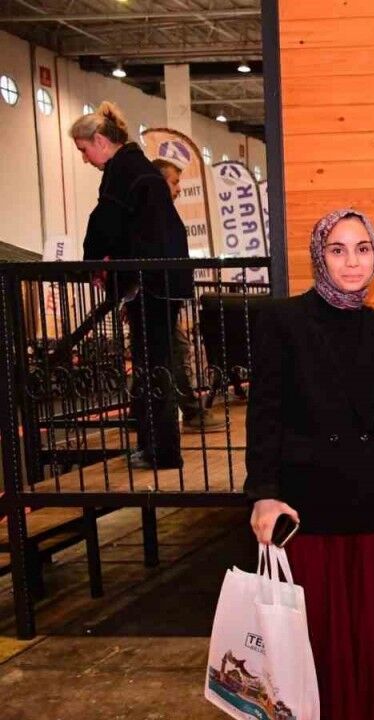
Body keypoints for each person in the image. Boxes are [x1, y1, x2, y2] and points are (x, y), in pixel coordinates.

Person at [244, 208, 374, 720]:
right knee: (313, 639)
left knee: (367, 638)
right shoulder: (282, 320)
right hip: (305, 509)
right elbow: (264, 414)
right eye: (338, 250)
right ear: (320, 256)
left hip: (365, 506)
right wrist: (263, 493)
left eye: (363, 249)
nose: (352, 261)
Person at [72, 101, 193, 469]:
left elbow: (105, 223)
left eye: (84, 149)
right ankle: (157, 448)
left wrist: (95, 264)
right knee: (156, 364)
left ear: (100, 140)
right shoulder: (137, 168)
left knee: (152, 366)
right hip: (163, 281)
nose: (85, 159)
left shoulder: (121, 170)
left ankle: (161, 452)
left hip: (152, 283)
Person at [151, 157, 219, 433]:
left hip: (165, 296)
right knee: (175, 352)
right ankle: (191, 411)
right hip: (160, 296)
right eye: (174, 182)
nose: (178, 188)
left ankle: (144, 412)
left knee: (164, 353)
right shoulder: (156, 215)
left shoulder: (162, 214)